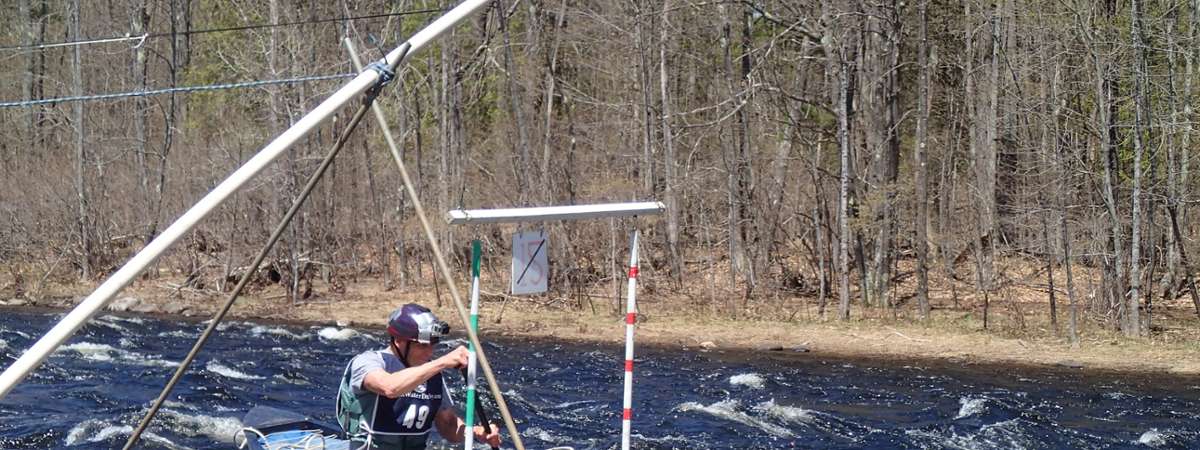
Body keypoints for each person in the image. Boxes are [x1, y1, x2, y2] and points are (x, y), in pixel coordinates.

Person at [336, 303, 501, 449]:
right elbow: (389, 387)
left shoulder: (432, 373)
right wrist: (443, 362)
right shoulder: (368, 361)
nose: (429, 352)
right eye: (421, 345)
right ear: (398, 341)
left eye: (433, 345)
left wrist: (477, 432)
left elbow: (449, 426)